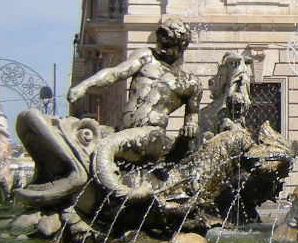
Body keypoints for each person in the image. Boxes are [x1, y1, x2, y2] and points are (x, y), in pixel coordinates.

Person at [67, 16, 202, 164]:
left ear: (181, 46)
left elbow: (192, 118)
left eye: (166, 43)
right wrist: (84, 85)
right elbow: (116, 73)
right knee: (72, 132)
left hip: (151, 137)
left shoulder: (190, 83)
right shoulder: (146, 56)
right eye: (159, 39)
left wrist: (191, 127)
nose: (159, 45)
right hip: (121, 131)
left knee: (107, 146)